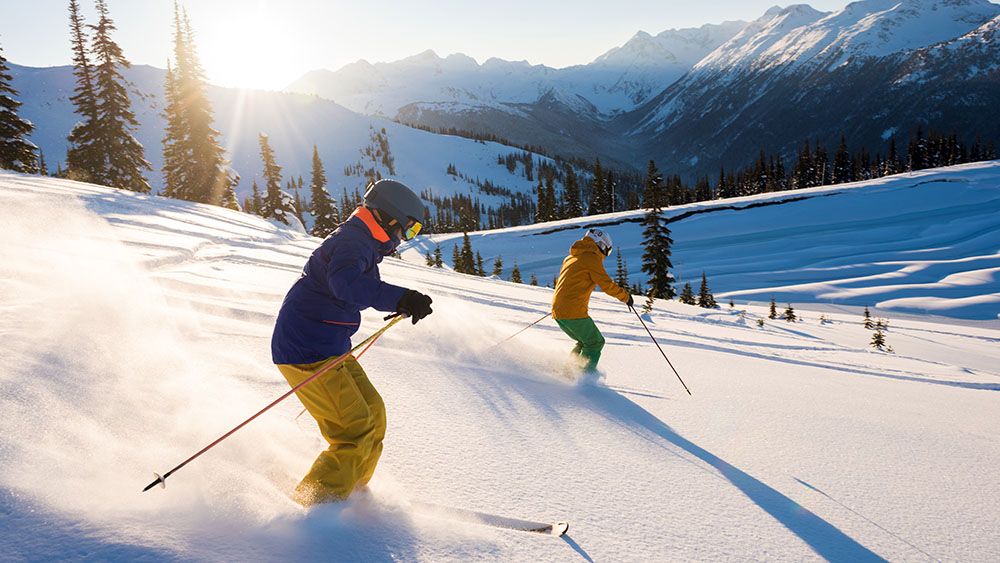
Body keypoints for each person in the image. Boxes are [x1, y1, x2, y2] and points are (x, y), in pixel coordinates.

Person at [271, 179, 433, 506]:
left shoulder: (362, 243)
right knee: (353, 432)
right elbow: (347, 284)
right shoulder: (353, 244)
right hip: (306, 351)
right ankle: (317, 505)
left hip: (327, 347)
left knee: (373, 413)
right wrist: (401, 297)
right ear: (388, 219)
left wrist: (400, 299)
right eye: (408, 230)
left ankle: (352, 490)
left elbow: (349, 287)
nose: (405, 239)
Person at [551, 228, 632, 375]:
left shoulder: (571, 257)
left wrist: (561, 305)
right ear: (601, 245)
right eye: (608, 250)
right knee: (595, 342)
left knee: (584, 342)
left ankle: (568, 373)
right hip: (572, 310)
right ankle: (583, 378)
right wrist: (625, 297)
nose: (606, 254)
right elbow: (606, 284)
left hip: (560, 310)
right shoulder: (591, 258)